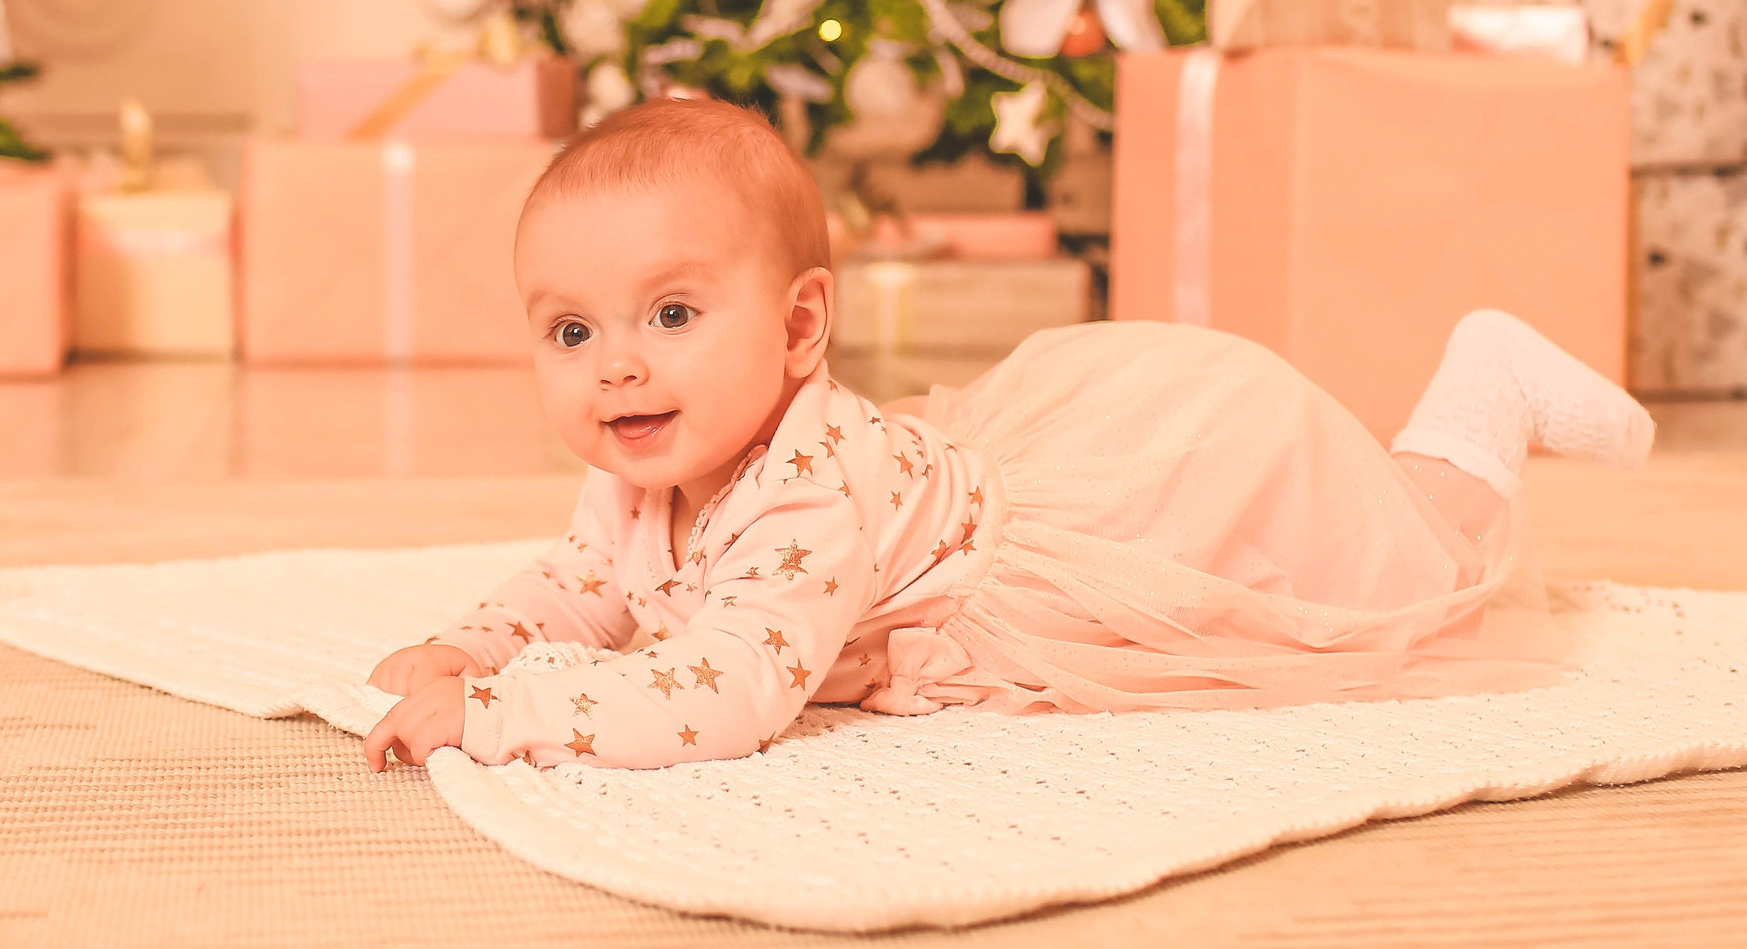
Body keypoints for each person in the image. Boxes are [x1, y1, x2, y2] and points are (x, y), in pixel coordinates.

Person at [363, 98, 1652, 772]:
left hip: (1158, 482)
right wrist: (471, 640)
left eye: (673, 312)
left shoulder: (806, 486)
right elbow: (584, 586)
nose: (619, 364)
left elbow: (728, 697)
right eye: (571, 333)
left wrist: (497, 709)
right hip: (1021, 468)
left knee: (1404, 585)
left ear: (802, 325)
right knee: (1371, 567)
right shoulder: (650, 462)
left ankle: (1482, 402)